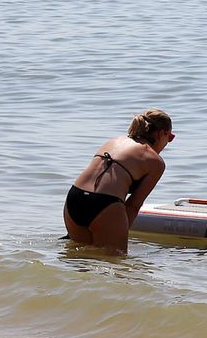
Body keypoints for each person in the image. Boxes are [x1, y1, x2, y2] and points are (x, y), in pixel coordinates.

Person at [63, 109, 174, 254]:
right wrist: (119, 233)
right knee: (115, 263)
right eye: (170, 138)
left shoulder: (114, 141)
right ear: (162, 133)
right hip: (105, 203)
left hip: (74, 199)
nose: (167, 143)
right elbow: (134, 205)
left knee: (79, 260)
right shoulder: (156, 162)